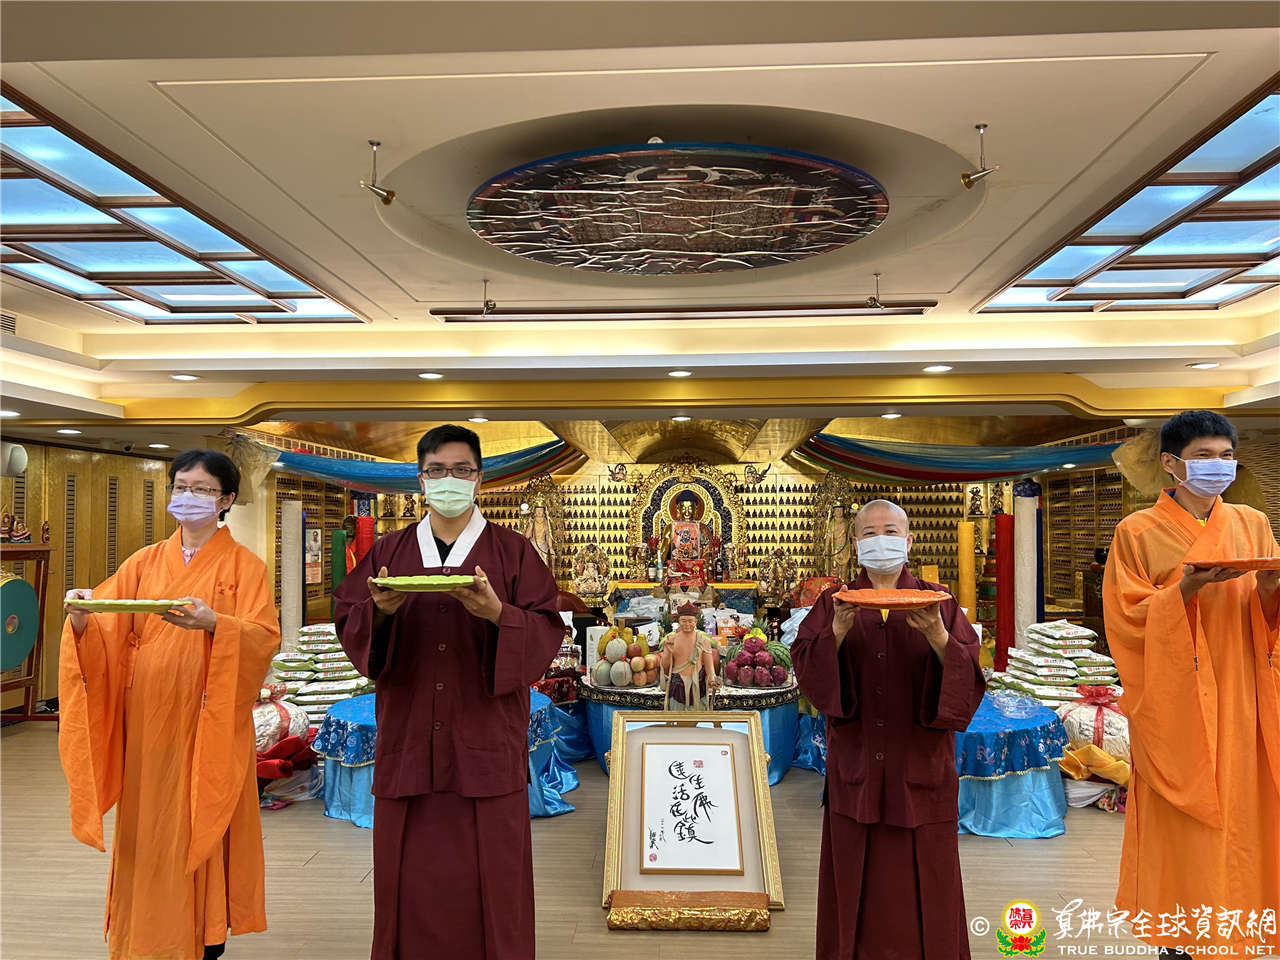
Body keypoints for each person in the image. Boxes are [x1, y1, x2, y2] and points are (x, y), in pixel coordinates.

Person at [334, 424, 564, 960]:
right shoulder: (391, 551)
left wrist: (499, 614)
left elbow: (547, 628)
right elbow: (350, 618)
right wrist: (379, 613)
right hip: (410, 738)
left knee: (495, 876)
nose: (449, 480)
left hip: (484, 738)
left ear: (479, 479)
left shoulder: (512, 552)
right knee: (408, 877)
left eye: (462, 470)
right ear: (420, 480)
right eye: (436, 470)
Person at [58, 449, 281, 960]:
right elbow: (108, 628)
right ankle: (144, 937)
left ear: (226, 499)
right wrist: (82, 616)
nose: (188, 497)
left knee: (203, 816)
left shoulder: (245, 567)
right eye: (181, 487)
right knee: (149, 826)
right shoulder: (143, 562)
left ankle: (204, 936)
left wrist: (215, 624)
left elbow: (263, 638)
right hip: (148, 723)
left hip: (210, 720)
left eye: (202, 489)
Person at [1103, 410, 1279, 959]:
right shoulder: (1136, 532)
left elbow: (1266, 612)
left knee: (1243, 813)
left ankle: (1238, 931)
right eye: (1204, 456)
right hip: (1177, 700)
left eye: (1226, 456)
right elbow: (1126, 618)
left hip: (1243, 693)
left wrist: (1271, 588)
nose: (1217, 466)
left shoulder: (1252, 522)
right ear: (1171, 463)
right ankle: (1181, 939)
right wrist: (1184, 589)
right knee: (1186, 822)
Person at [791, 499, 985, 960]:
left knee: (927, 885)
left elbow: (970, 680)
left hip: (919, 769)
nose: (881, 541)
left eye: (891, 532)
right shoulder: (833, 602)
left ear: (909, 541)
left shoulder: (938, 602)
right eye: (870, 533)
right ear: (856, 543)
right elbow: (808, 675)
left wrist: (937, 636)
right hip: (857, 766)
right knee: (853, 880)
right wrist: (837, 631)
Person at [659, 602, 721, 710]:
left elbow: (709, 667)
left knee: (698, 716)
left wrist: (712, 679)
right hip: (677, 684)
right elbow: (665, 668)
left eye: (690, 621)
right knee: (677, 715)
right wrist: (668, 652)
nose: (687, 624)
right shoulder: (672, 640)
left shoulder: (703, 641)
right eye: (683, 621)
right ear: (679, 621)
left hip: (698, 684)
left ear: (695, 622)